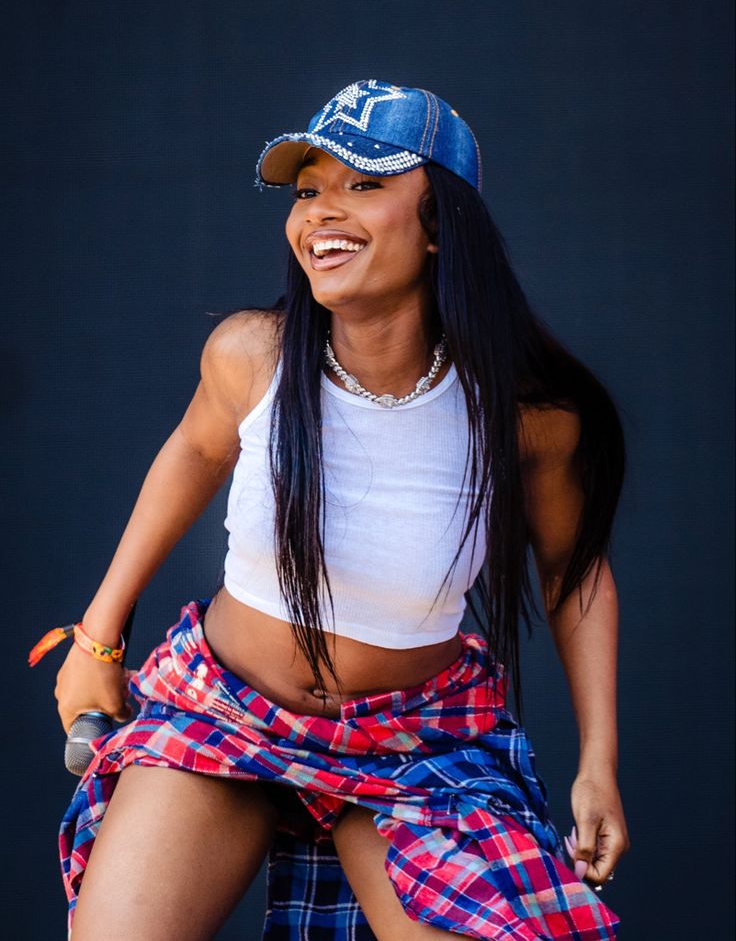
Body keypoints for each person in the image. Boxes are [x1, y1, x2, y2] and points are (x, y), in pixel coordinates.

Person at [39, 79, 629, 940]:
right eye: (308, 190)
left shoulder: (521, 415)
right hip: (230, 711)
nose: (322, 212)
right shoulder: (252, 355)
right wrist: (97, 640)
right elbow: (195, 454)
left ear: (439, 224)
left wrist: (600, 764)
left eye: (364, 184)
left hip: (410, 744)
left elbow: (575, 575)